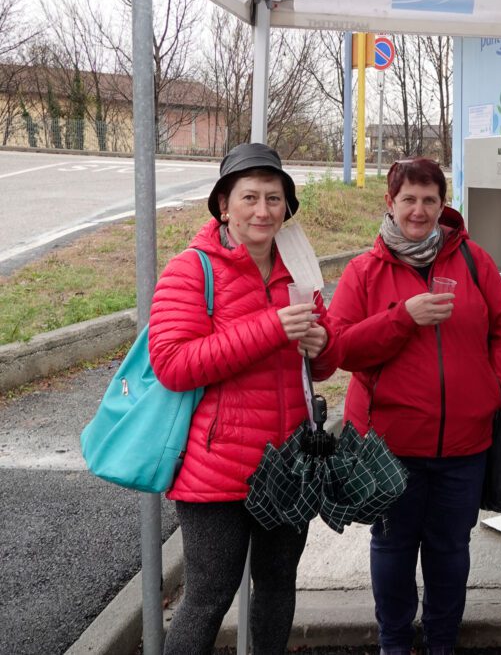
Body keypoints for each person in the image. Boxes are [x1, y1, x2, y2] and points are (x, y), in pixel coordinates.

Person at [319, 157, 501, 655]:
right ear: (390, 203)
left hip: (464, 444)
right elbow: (340, 347)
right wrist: (401, 318)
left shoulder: (473, 260)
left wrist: (494, 390)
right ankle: (393, 642)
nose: (419, 209)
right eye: (408, 199)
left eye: (429, 199)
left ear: (442, 204)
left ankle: (441, 642)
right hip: (390, 446)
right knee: (392, 549)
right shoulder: (365, 273)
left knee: (450, 551)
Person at [150, 143, 332, 654]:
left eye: (274, 198)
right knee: (208, 598)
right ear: (223, 204)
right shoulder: (192, 269)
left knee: (277, 587)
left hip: (290, 460)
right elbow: (173, 364)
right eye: (249, 197)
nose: (263, 210)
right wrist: (269, 327)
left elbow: (320, 361)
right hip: (217, 468)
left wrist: (322, 345)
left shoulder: (299, 264)